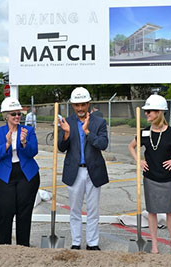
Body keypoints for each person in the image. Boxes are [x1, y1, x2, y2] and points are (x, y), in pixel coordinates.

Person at [128, 94, 171, 255]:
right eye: (146, 111)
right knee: (152, 211)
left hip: (167, 178)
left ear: (159, 112)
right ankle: (154, 243)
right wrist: (139, 161)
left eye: (150, 111)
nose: (147, 114)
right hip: (150, 177)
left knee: (169, 211)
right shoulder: (144, 132)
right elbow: (131, 147)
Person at [58, 87, 109, 251]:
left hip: (93, 170)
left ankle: (92, 243)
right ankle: (76, 242)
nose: (80, 108)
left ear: (88, 104)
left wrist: (87, 131)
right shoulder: (67, 122)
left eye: (83, 105)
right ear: (72, 105)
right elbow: (61, 147)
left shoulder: (99, 122)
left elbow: (103, 144)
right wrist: (65, 134)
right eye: (76, 105)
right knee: (74, 209)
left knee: (93, 210)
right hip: (74, 171)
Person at [0, 97, 40, 246]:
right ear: (6, 116)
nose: (17, 117)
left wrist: (24, 142)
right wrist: (6, 144)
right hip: (5, 175)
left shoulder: (28, 131)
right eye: (13, 114)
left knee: (24, 213)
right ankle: (4, 246)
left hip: (27, 175)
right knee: (4, 212)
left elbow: (33, 152)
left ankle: (23, 246)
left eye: (19, 114)